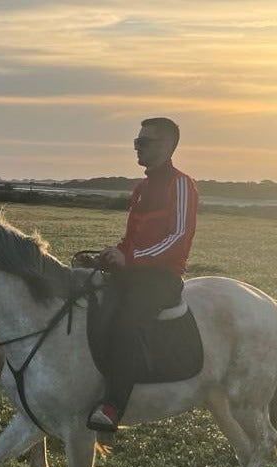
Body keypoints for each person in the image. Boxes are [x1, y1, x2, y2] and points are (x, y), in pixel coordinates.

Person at [88, 117, 199, 432]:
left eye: (143, 142)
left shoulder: (181, 184)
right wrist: (110, 255)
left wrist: (131, 258)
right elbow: (132, 239)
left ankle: (113, 405)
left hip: (160, 278)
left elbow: (179, 236)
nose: (136, 147)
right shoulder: (141, 188)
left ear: (167, 145)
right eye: (136, 141)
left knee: (126, 322)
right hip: (134, 272)